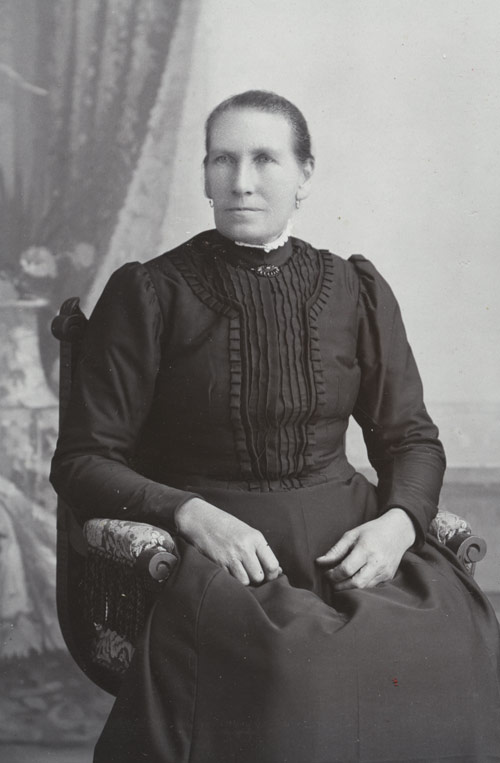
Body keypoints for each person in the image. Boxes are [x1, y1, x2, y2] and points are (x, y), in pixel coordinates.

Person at [51, 90, 500, 763]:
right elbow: (82, 461)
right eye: (222, 160)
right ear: (205, 175)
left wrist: (399, 524)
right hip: (224, 551)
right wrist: (191, 515)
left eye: (265, 159)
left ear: (305, 174)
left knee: (443, 633)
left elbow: (410, 438)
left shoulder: (355, 289)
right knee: (301, 665)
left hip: (352, 538)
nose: (242, 181)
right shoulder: (150, 292)